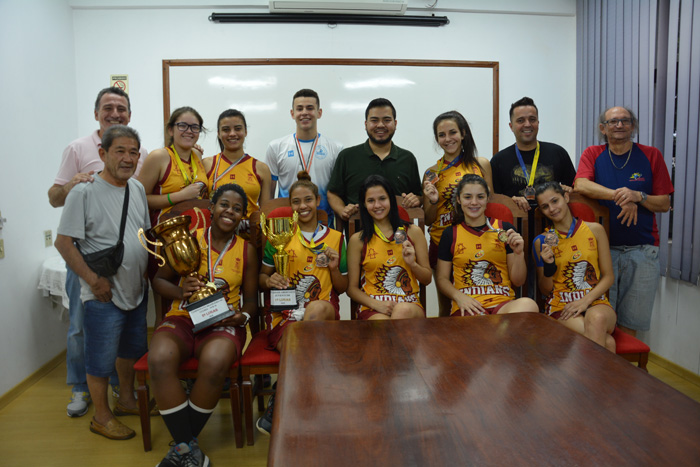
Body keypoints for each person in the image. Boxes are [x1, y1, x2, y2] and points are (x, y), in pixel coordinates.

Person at [48, 87, 148, 418]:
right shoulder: (83, 190)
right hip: (102, 288)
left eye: (133, 152)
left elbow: (141, 234)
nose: (128, 158)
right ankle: (102, 416)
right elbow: (63, 243)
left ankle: (128, 400)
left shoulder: (137, 188)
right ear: (102, 153)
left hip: (135, 289)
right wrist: (93, 280)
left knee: (130, 349)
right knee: (99, 353)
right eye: (120, 151)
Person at [149, 183, 258, 466]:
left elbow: (250, 302)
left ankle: (182, 447)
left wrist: (242, 318)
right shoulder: (188, 240)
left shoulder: (246, 250)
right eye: (224, 205)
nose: (229, 212)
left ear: (242, 215)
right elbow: (159, 281)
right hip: (182, 317)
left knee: (215, 360)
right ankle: (189, 448)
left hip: (222, 323)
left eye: (237, 209)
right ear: (211, 208)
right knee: (159, 357)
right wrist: (180, 292)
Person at [257, 171, 348, 435]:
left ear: (318, 200)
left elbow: (342, 288)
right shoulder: (279, 236)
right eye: (296, 202)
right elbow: (262, 279)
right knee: (300, 351)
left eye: (308, 200)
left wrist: (332, 268)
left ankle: (282, 404)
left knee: (316, 309)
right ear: (290, 205)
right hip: (285, 316)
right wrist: (270, 280)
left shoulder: (335, 238)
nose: (303, 206)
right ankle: (309, 408)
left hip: (323, 312)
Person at [574, 106, 673, 336]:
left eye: (625, 121)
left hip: (643, 251)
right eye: (613, 121)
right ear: (603, 128)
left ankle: (622, 372)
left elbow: (665, 203)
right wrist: (621, 195)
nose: (619, 125)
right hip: (602, 252)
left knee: (630, 326)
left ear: (633, 126)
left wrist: (639, 196)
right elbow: (581, 185)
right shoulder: (592, 153)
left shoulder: (651, 155)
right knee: (600, 320)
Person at [435, 175, 539, 316]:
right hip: (469, 306)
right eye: (467, 197)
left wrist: (519, 254)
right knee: (481, 326)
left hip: (502, 305)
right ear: (459, 200)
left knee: (529, 304)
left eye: (480, 197)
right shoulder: (450, 233)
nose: (474, 202)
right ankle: (499, 332)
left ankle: (495, 330)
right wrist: (459, 297)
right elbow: (441, 279)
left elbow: (519, 281)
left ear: (487, 198)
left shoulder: (505, 229)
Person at [422, 111, 493, 317]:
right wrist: (434, 200)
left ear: (463, 134)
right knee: (447, 307)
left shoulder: (481, 164)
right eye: (441, 135)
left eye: (452, 132)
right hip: (442, 242)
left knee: (480, 300)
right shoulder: (431, 173)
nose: (447, 139)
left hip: (478, 240)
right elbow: (428, 218)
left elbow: (491, 204)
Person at [532, 182, 617, 351]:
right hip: (562, 305)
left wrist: (585, 302)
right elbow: (545, 290)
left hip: (595, 301)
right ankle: (597, 378)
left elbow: (608, 276)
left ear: (566, 197)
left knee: (597, 318)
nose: (552, 209)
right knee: (608, 343)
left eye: (555, 201)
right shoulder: (542, 241)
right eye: (545, 206)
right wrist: (549, 266)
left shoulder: (595, 230)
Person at [347, 175, 431, 320]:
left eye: (382, 199)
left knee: (401, 311)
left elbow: (427, 279)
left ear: (391, 200)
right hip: (374, 307)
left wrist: (413, 264)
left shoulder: (413, 232)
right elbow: (352, 289)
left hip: (409, 305)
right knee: (381, 322)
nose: (377, 205)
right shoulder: (358, 240)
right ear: (364, 204)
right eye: (371, 201)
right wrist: (377, 304)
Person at [327, 98, 422, 225]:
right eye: (374, 120)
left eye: (387, 120)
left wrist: (416, 199)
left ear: (395, 123)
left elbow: (419, 196)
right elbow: (333, 193)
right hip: (358, 239)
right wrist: (342, 210)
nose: (381, 125)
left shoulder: (407, 158)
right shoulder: (347, 156)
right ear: (366, 124)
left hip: (400, 240)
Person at [265, 89, 343, 225]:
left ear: (319, 113)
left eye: (310, 108)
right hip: (286, 225)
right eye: (299, 108)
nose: (305, 113)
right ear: (292, 113)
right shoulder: (276, 147)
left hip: (323, 223)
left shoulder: (336, 148)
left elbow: (337, 194)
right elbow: (269, 194)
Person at [490, 97, 576, 212]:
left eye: (532, 119)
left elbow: (574, 192)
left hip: (553, 224)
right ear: (511, 126)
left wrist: (569, 190)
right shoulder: (498, 161)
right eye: (520, 120)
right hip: (514, 226)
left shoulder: (558, 153)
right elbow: (495, 200)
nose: (527, 124)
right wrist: (511, 201)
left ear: (538, 123)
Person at [203, 109, 272, 236]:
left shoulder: (261, 169)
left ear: (245, 131)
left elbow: (266, 214)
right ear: (218, 133)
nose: (232, 134)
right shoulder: (207, 165)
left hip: (250, 238)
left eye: (237, 128)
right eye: (226, 130)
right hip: (216, 237)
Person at [138, 106, 209, 227]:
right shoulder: (158, 157)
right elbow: (140, 199)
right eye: (182, 125)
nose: (189, 131)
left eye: (195, 127)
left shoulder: (197, 154)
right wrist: (180, 196)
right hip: (167, 235)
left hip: (199, 232)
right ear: (170, 130)